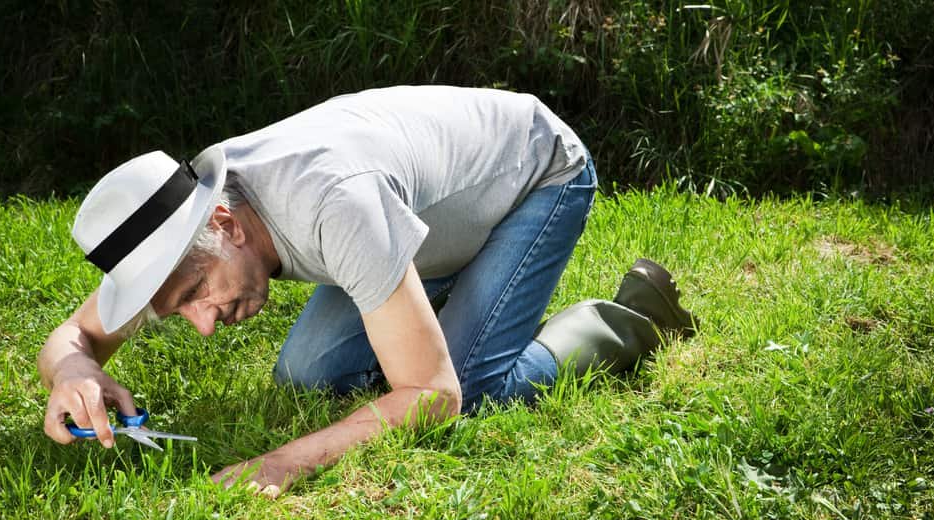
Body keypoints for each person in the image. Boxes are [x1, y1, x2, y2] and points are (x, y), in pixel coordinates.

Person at [37, 86, 698, 497]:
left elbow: (433, 397)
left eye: (196, 294)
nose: (204, 323)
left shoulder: (331, 203)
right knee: (306, 372)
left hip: (533, 176)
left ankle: (632, 317)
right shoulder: (176, 222)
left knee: (471, 385)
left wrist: (281, 462)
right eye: (181, 310)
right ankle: (440, 304)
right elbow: (72, 336)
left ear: (226, 225)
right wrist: (74, 371)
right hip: (425, 217)